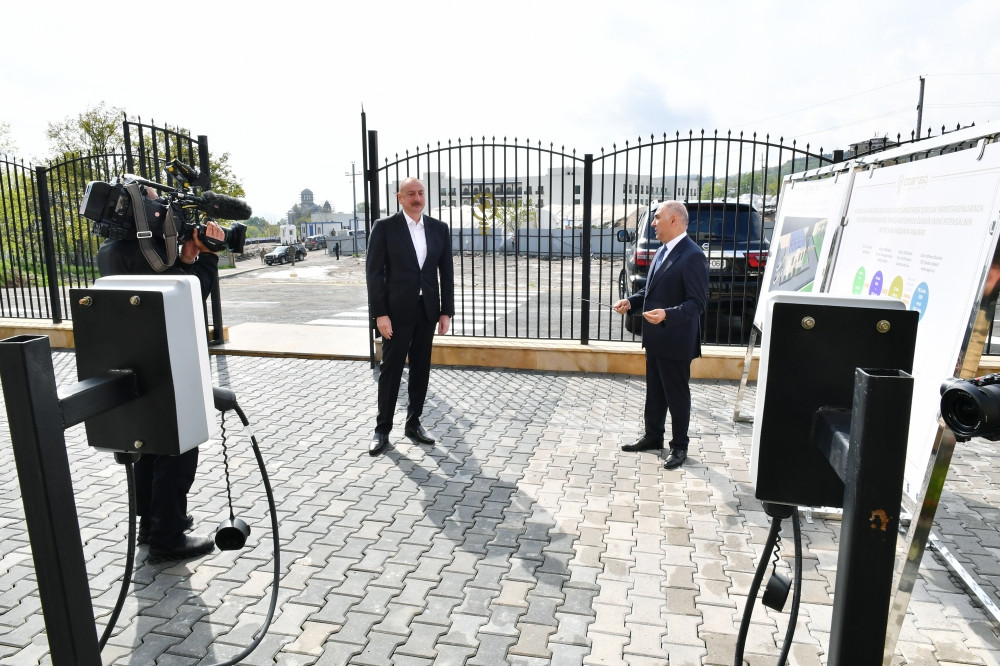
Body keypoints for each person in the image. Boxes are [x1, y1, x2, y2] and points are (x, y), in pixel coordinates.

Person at [97, 184, 225, 562]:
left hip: (136, 360)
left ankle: (151, 524)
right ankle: (167, 537)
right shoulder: (150, 252)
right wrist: (207, 257)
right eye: (153, 197)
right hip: (170, 361)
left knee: (147, 444)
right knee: (178, 447)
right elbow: (189, 294)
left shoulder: (114, 250)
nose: (161, 205)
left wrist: (184, 257)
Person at [613, 201, 708, 470]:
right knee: (655, 393)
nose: (653, 223)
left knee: (676, 395)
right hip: (655, 338)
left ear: (675, 220)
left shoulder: (692, 256)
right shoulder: (662, 251)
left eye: (657, 218)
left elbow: (697, 303)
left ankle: (679, 447)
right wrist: (630, 302)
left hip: (676, 341)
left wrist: (668, 314)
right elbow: (650, 292)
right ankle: (653, 437)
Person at [366, 177, 455, 456]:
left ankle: (413, 423)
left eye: (420, 193)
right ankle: (382, 429)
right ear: (399, 197)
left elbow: (447, 273)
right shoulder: (384, 228)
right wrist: (380, 314)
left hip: (427, 310)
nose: (417, 198)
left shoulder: (439, 229)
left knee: (421, 368)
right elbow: (374, 274)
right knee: (391, 371)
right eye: (410, 194)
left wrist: (445, 311)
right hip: (395, 312)